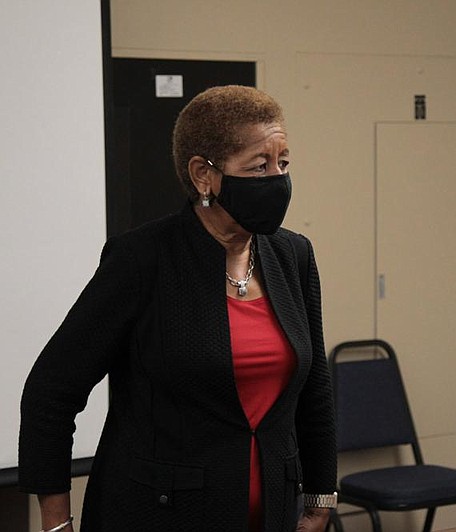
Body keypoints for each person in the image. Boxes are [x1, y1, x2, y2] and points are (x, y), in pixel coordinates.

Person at [19, 85, 337, 532]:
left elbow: (314, 388)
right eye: (259, 166)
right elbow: (50, 393)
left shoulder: (293, 255)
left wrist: (321, 497)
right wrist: (55, 525)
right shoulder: (141, 259)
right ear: (204, 175)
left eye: (283, 164)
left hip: (272, 514)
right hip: (159, 514)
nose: (277, 180)